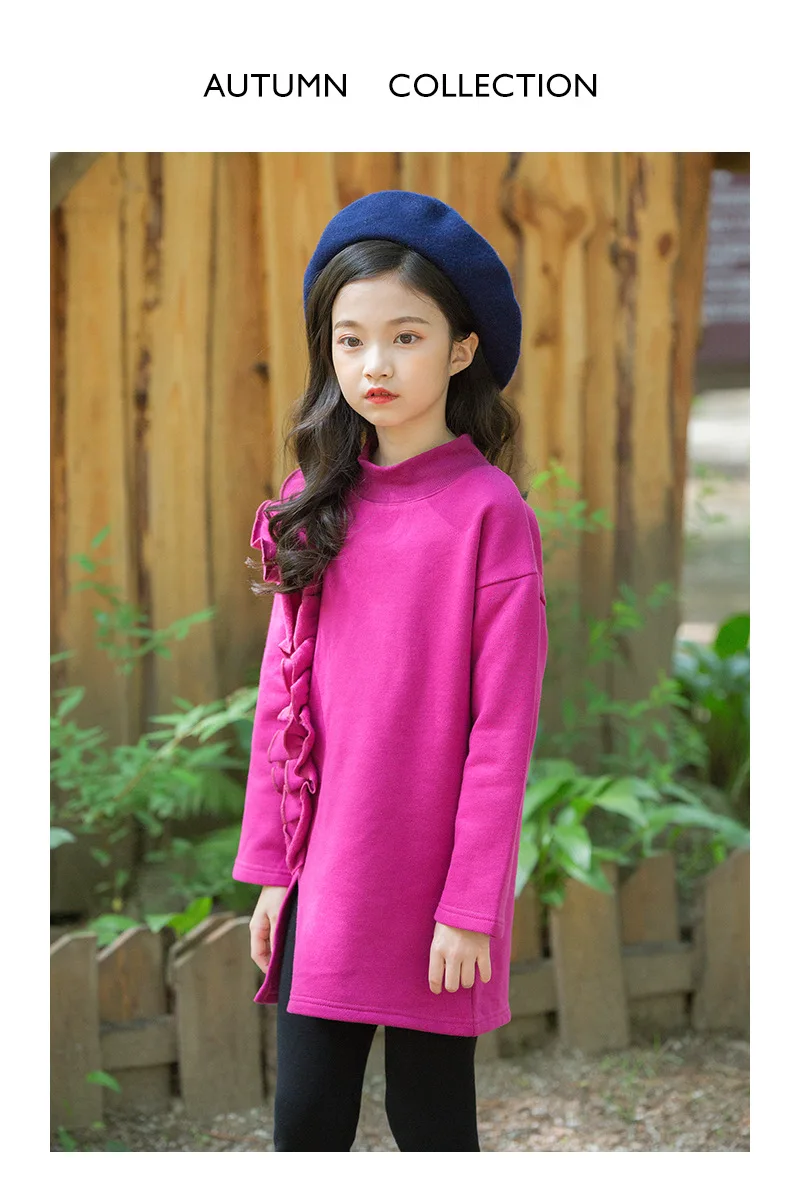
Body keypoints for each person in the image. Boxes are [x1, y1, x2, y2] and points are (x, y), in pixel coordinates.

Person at [232, 190, 548, 1152]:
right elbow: (282, 701)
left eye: (406, 337)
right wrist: (274, 874)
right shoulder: (311, 502)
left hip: (437, 892)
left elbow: (502, 736)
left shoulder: (491, 517)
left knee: (431, 1122)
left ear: (460, 349)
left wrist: (471, 909)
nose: (375, 364)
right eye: (351, 339)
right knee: (306, 1121)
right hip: (327, 877)